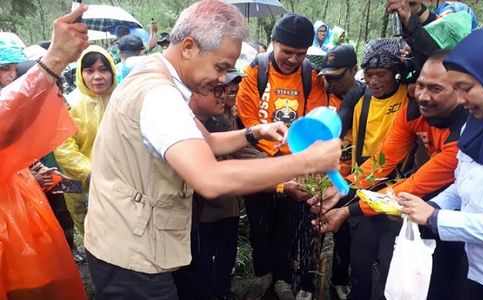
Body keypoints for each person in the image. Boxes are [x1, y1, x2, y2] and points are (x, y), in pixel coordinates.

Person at [83, 1, 341, 299]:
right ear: (189, 47)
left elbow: (205, 142)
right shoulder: (159, 96)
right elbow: (210, 177)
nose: (222, 79)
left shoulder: (158, 77)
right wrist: (306, 161)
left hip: (128, 241)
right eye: (220, 67)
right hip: (130, 256)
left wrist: (253, 132)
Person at [314, 50, 470, 300]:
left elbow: (413, 186)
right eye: (420, 85)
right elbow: (381, 163)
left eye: (436, 89)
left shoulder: (464, 134)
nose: (423, 96)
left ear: (463, 91)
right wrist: (342, 186)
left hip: (465, 214)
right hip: (428, 201)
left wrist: (347, 211)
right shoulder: (412, 112)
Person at [397, 27, 483, 299]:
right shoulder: (475, 127)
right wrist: (434, 205)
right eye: (456, 89)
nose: (460, 99)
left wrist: (437, 218)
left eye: (466, 89)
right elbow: (462, 182)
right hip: (471, 266)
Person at [236, 13, 327, 300]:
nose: (292, 59)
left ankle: (284, 278)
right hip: (259, 163)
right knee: (259, 224)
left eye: (300, 54)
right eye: (287, 52)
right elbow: (249, 124)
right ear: (273, 42)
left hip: (296, 166)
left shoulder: (310, 76)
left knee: (288, 227)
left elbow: (313, 122)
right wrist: (276, 162)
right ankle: (264, 274)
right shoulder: (254, 73)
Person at [0, 5, 89, 299]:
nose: (8, 77)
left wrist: (34, 175)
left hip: (35, 211)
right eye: (3, 69)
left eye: (12, 69)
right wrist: (54, 59)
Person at [184, 70, 244, 300]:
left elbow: (238, 152)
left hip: (227, 203)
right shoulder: (184, 122)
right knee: (202, 253)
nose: (225, 96)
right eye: (219, 90)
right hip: (201, 209)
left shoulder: (223, 121)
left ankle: (223, 290)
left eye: (229, 91)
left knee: (227, 250)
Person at [317, 43, 365, 299]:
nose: (332, 82)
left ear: (354, 70)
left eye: (338, 77)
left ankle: (339, 279)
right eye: (328, 77)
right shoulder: (322, 95)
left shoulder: (367, 96)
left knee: (347, 235)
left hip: (354, 178)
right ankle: (307, 281)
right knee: (317, 230)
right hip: (323, 177)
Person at [54, 45, 117, 235]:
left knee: (116, 222)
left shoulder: (122, 100)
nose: (97, 76)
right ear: (81, 74)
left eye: (103, 69)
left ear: (112, 71)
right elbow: (63, 146)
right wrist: (90, 172)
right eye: (89, 71)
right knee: (85, 220)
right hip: (77, 180)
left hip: (116, 178)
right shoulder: (70, 104)